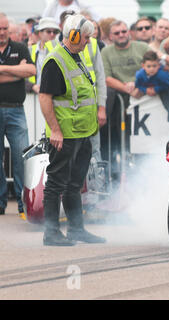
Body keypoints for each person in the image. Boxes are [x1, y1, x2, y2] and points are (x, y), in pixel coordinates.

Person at [38, 14, 106, 245]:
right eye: (86, 37)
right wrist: (55, 130)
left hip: (82, 132)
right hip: (64, 134)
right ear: (74, 35)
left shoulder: (75, 56)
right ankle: (51, 233)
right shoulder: (55, 60)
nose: (88, 41)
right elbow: (45, 97)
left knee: (75, 184)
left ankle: (76, 230)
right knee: (56, 183)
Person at [0, 13, 36, 216]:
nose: (3, 32)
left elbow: (30, 70)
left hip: (16, 109)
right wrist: (16, 71)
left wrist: (3, 69)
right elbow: (22, 72)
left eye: (5, 28)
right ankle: (0, 202)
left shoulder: (20, 47)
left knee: (23, 155)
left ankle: (25, 203)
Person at [101, 20, 148, 173]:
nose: (121, 35)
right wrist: (127, 88)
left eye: (123, 31)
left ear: (129, 32)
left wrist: (138, 85)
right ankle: (117, 175)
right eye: (117, 33)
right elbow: (106, 78)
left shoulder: (142, 47)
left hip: (143, 101)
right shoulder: (106, 52)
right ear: (110, 36)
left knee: (140, 142)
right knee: (117, 141)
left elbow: (154, 68)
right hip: (117, 103)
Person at [28, 17, 60, 94]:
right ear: (40, 33)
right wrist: (32, 86)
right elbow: (23, 76)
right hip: (32, 97)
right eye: (48, 31)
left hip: (52, 95)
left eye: (55, 32)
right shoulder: (30, 50)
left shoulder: (59, 50)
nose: (52, 34)